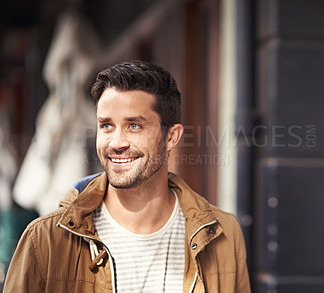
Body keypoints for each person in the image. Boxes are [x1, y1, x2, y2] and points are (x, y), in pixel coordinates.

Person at [3, 60, 251, 292]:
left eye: (134, 126)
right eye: (106, 125)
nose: (116, 142)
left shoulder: (223, 234)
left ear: (171, 137)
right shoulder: (44, 239)